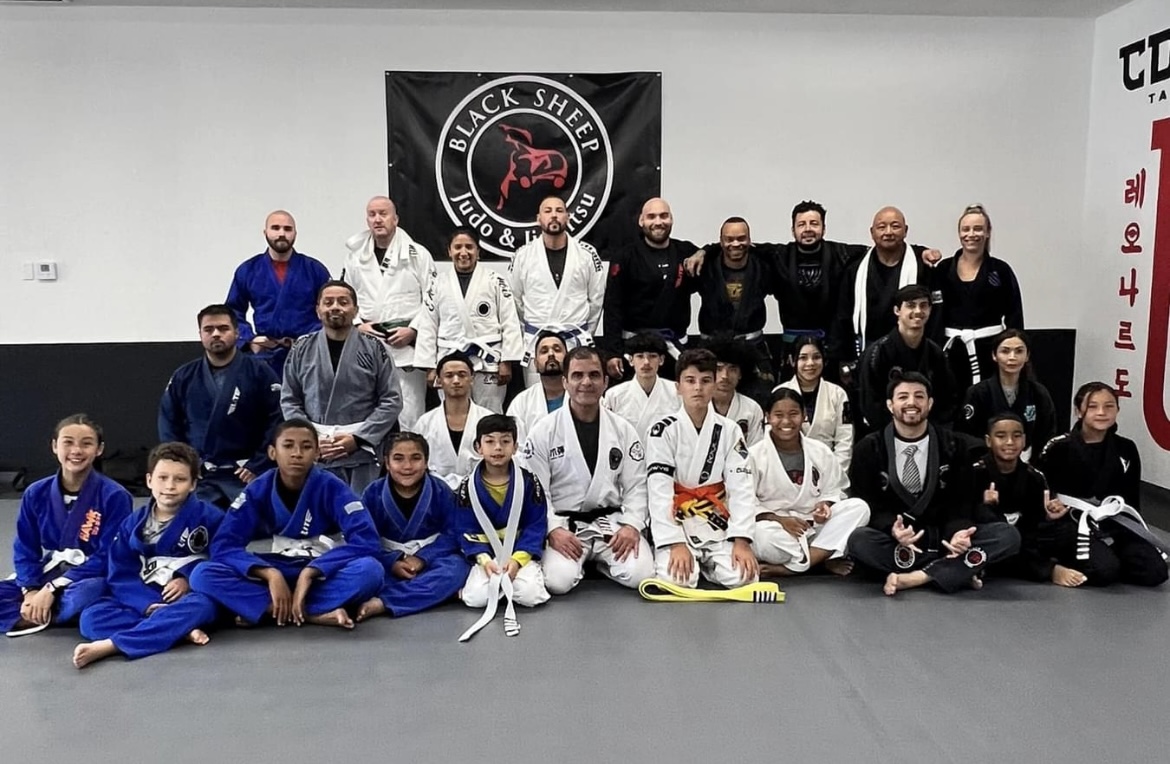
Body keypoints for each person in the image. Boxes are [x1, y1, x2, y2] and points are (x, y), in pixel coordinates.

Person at [189, 419, 385, 629]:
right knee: (202, 574)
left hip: (322, 568)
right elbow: (224, 545)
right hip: (276, 564)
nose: (297, 453)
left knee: (371, 571)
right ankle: (311, 613)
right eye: (288, 445)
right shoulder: (258, 489)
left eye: (306, 447)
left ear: (318, 453)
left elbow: (367, 541)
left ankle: (269, 610)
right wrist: (268, 573)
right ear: (273, 452)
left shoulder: (333, 487)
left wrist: (313, 571)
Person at [848, 372, 1020, 596]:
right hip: (902, 540)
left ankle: (918, 577)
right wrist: (891, 527)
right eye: (903, 397)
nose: (911, 403)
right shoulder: (869, 448)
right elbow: (868, 502)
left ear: (929, 403)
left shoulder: (954, 445)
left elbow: (962, 501)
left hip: (944, 535)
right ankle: (959, 570)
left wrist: (958, 534)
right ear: (890, 405)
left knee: (1008, 536)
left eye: (919, 396)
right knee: (859, 541)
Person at [72, 442, 223, 668]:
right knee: (91, 619)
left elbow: (222, 560)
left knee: (202, 606)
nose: (170, 486)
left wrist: (187, 579)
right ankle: (176, 630)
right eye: (162, 478)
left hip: (186, 597)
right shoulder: (133, 523)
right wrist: (147, 604)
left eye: (180, 479)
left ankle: (112, 645)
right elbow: (120, 574)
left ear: (193, 484)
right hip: (145, 595)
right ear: (149, 480)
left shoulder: (210, 517)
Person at [524, 347, 654, 595]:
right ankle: (583, 562)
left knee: (641, 575)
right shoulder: (543, 431)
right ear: (565, 382)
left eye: (594, 375)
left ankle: (599, 562)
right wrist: (552, 529)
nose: (586, 382)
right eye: (577, 375)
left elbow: (637, 484)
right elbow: (535, 490)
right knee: (557, 582)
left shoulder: (623, 429)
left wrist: (632, 525)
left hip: (610, 523)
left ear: (605, 382)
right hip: (566, 525)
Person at [0, 414, 133, 637]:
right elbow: (25, 547)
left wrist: (53, 588)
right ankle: (42, 612)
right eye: (68, 442)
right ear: (54, 446)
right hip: (50, 571)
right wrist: (31, 590)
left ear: (99, 449)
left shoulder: (115, 496)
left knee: (88, 593)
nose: (76, 450)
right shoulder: (36, 492)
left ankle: (37, 615)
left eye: (86, 443)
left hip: (89, 576)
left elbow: (107, 556)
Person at [1034, 382, 1168, 587]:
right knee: (1105, 572)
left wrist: (1133, 534)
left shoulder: (1126, 448)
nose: (1101, 412)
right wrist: (1051, 506)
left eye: (1109, 406)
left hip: (1114, 524)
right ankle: (1068, 561)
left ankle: (1109, 554)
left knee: (1156, 572)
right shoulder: (1058, 447)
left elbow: (1131, 500)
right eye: (1093, 406)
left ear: (1117, 410)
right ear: (1079, 411)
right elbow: (1041, 491)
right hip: (1070, 524)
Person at [646, 349, 759, 589]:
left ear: (715, 384)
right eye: (690, 381)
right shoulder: (662, 430)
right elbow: (659, 491)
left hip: (715, 521)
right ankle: (693, 563)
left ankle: (709, 565)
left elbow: (742, 488)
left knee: (745, 577)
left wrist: (741, 540)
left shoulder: (730, 430)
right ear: (678, 387)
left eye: (706, 381)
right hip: (679, 521)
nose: (698, 388)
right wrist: (674, 542)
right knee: (680, 579)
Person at [281, 280, 403, 493]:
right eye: (328, 302)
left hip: (363, 450)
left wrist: (358, 439)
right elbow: (289, 399)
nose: (335, 307)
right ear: (318, 310)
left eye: (343, 302)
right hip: (318, 450)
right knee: (319, 516)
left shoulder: (375, 348)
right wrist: (311, 439)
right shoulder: (301, 348)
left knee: (361, 511)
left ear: (355, 310)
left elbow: (392, 400)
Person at [158, 304, 283, 508]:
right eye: (208, 329)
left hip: (245, 473)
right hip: (201, 474)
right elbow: (168, 424)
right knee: (188, 523)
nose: (216, 334)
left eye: (223, 328)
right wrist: (185, 464)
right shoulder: (184, 376)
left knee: (256, 524)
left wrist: (258, 464)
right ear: (200, 334)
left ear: (237, 332)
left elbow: (276, 421)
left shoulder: (260, 372)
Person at [750, 389, 870, 577]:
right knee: (762, 537)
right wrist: (780, 520)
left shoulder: (820, 451)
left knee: (859, 508)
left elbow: (835, 489)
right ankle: (822, 558)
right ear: (767, 417)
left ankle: (797, 566)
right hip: (777, 528)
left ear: (804, 416)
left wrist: (826, 505)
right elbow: (746, 503)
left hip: (813, 525)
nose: (786, 422)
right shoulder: (754, 455)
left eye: (793, 414)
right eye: (778, 415)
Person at [341, 196, 437, 430]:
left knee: (410, 414)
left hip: (406, 348)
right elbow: (345, 295)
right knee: (368, 411)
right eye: (372, 214)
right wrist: (356, 324)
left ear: (395, 219)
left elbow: (433, 299)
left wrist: (413, 329)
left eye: (383, 214)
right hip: (368, 343)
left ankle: (412, 463)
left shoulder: (418, 254)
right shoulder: (355, 256)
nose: (377, 219)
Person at [355, 433, 471, 620]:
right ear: (387, 462)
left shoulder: (440, 490)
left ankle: (383, 602)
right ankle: (425, 594)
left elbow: (453, 533)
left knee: (456, 569)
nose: (407, 466)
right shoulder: (373, 492)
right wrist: (392, 561)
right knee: (365, 571)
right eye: (398, 459)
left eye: (416, 458)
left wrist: (423, 558)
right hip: (389, 563)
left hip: (431, 558)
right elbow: (364, 537)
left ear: (426, 462)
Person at [454, 415, 550, 639]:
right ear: (478, 447)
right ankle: (497, 585)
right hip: (487, 556)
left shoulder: (529, 483)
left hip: (519, 554)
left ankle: (503, 586)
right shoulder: (467, 488)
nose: (498, 448)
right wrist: (485, 562)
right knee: (475, 599)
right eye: (490, 441)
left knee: (530, 595)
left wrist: (517, 561)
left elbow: (536, 525)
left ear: (516, 447)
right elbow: (463, 528)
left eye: (505, 441)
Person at [413, 228, 523, 413]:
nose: (463, 252)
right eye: (458, 247)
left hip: (488, 361)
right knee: (451, 412)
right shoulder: (437, 284)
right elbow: (428, 326)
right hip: (450, 360)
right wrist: (430, 367)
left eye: (469, 247)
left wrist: (507, 361)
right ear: (449, 251)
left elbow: (510, 321)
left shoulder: (496, 280)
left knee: (490, 414)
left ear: (478, 251)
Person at [972, 413, 1090, 587]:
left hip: (1023, 539)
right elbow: (962, 515)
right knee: (990, 522)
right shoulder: (974, 472)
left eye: (1016, 436)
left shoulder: (1034, 477)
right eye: (1001, 436)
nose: (1010, 442)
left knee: (1065, 531)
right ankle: (1047, 569)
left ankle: (997, 566)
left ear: (1024, 440)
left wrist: (1049, 516)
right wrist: (984, 504)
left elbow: (1035, 524)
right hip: (992, 537)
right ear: (989, 441)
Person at [830, 206, 941, 383]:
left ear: (906, 231)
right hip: (868, 354)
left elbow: (936, 316)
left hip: (915, 355)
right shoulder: (856, 269)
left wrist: (932, 354)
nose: (888, 232)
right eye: (882, 227)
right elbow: (843, 315)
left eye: (895, 226)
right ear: (872, 233)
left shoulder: (923, 267)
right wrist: (843, 359)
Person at [509, 195, 605, 387]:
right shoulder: (522, 255)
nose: (554, 215)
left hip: (575, 338)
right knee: (538, 398)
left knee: (579, 395)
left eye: (559, 211)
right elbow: (515, 300)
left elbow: (596, 300)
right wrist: (527, 332)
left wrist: (585, 331)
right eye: (548, 211)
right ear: (538, 218)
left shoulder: (587, 254)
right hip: (537, 341)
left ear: (567, 217)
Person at [598, 198, 698, 378]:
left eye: (664, 216)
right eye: (651, 217)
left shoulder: (686, 252)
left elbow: (718, 262)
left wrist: (705, 251)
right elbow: (613, 306)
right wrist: (612, 352)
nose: (658, 222)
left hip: (674, 347)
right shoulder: (625, 256)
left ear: (671, 219)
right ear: (641, 221)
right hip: (635, 348)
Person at [225, 210, 331, 374]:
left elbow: (331, 308)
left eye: (287, 229)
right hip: (266, 354)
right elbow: (232, 311)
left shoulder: (315, 269)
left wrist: (318, 337)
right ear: (265, 232)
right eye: (275, 228)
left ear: (295, 233)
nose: (282, 233)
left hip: (309, 353)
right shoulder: (248, 270)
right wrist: (249, 340)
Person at [935, 204, 1024, 389]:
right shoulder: (943, 270)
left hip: (989, 352)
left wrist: (1011, 352)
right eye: (965, 229)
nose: (971, 234)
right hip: (951, 351)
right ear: (959, 233)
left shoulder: (1000, 271)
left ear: (987, 232)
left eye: (978, 229)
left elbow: (1015, 315)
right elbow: (935, 315)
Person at [690, 217, 781, 390]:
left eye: (741, 238)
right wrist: (705, 251)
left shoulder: (764, 267)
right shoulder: (704, 266)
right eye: (729, 239)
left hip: (752, 347)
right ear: (721, 242)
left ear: (749, 240)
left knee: (761, 397)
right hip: (711, 348)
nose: (736, 243)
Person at [857, 285, 957, 433]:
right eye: (911, 305)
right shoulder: (877, 353)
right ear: (897, 310)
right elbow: (870, 403)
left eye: (923, 306)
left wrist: (929, 432)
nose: (918, 311)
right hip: (886, 433)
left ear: (930, 310)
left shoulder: (936, 353)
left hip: (929, 432)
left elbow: (947, 399)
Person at [958, 329, 1057, 462]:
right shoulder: (978, 393)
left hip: (1027, 463)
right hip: (985, 463)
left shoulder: (1038, 392)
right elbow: (965, 434)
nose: (1012, 357)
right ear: (994, 355)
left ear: (1027, 356)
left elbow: (1047, 433)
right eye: (1005, 351)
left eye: (1019, 351)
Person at [774, 334, 854, 477]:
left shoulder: (838, 394)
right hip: (788, 472)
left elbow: (844, 441)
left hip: (830, 470)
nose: (810, 363)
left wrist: (836, 477)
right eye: (803, 358)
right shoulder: (779, 393)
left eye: (816, 357)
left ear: (824, 360)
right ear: (792, 361)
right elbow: (772, 438)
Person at [412, 352, 492, 488]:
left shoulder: (488, 420)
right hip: (436, 493)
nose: (456, 380)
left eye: (462, 375)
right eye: (449, 376)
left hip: (480, 492)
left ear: (472, 379)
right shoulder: (425, 423)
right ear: (439, 380)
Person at [602, 332, 680, 440]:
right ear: (630, 360)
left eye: (652, 356)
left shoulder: (677, 391)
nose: (646, 362)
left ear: (661, 360)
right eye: (640, 356)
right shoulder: (614, 395)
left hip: (666, 454)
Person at [505, 331, 567, 444]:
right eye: (544, 351)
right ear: (535, 364)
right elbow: (516, 447)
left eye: (557, 350)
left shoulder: (583, 395)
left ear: (568, 360)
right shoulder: (521, 403)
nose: (551, 354)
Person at [706, 336, 766, 446]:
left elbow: (756, 450)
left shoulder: (752, 409)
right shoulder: (697, 405)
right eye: (719, 369)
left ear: (741, 374)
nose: (725, 376)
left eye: (732, 369)